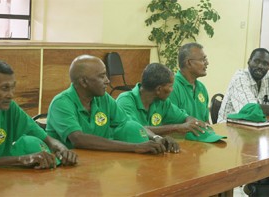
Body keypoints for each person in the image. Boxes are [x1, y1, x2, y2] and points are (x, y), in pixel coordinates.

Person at [46, 54, 177, 154]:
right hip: (68, 169)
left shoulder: (103, 99)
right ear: (84, 82)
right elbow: (79, 139)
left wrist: (156, 138)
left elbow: (127, 123)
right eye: (101, 76)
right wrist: (135, 147)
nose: (107, 81)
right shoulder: (62, 103)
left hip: (100, 163)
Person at [0, 60, 77, 169]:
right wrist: (19, 160)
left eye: (12, 88)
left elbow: (47, 139)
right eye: (5, 88)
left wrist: (62, 149)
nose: (11, 95)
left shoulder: (10, 109)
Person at [116, 63, 207, 137]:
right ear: (159, 89)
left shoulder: (162, 102)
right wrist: (176, 128)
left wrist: (191, 121)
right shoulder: (126, 100)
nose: (172, 89)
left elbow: (184, 117)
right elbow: (138, 130)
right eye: (170, 86)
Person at [168, 42, 210, 123]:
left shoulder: (202, 88)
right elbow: (169, 124)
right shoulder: (171, 87)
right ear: (189, 63)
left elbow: (206, 122)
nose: (207, 63)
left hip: (202, 134)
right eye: (203, 59)